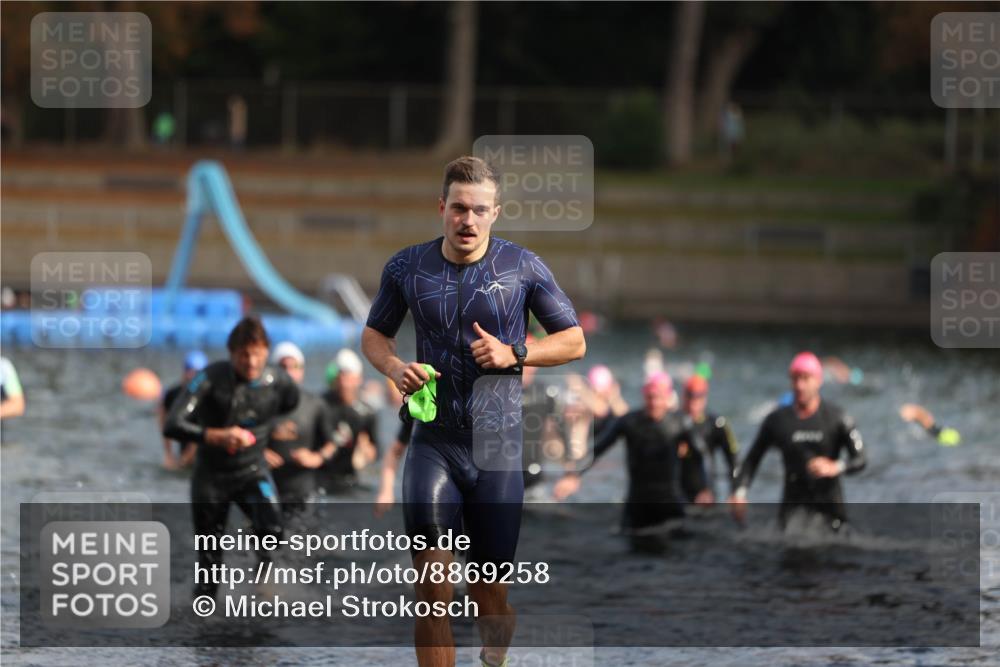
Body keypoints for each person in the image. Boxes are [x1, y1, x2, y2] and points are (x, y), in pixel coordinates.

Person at [361, 156, 585, 667]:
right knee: (432, 592)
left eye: (479, 210)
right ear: (442, 207)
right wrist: (395, 368)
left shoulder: (522, 267)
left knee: (491, 599)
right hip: (432, 445)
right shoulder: (407, 267)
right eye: (459, 208)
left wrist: (516, 354)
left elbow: (574, 341)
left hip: (496, 450)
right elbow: (374, 334)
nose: (468, 220)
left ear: (495, 214)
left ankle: (498, 638)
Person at [163, 316, 299, 600]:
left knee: (273, 531)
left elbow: (290, 404)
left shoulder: (278, 381)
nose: (250, 362)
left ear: (266, 352)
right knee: (210, 566)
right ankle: (203, 623)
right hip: (211, 478)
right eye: (243, 355)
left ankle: (261, 587)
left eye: (257, 354)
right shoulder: (210, 378)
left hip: (252, 471)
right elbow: (173, 424)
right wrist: (216, 435)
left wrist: (271, 430)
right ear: (231, 353)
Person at [729, 352, 866, 532]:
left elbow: (861, 459)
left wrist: (835, 467)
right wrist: (740, 493)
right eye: (795, 379)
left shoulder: (837, 418)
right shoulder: (777, 420)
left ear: (818, 380)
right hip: (791, 515)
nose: (799, 385)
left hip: (831, 515)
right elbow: (752, 460)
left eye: (805, 379)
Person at [553, 373, 691, 531]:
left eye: (658, 397)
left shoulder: (680, 424)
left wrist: (704, 489)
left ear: (667, 398)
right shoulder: (629, 422)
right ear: (644, 396)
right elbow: (598, 448)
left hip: (670, 502)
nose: (654, 403)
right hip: (637, 502)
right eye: (650, 397)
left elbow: (700, 453)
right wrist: (573, 475)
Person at [266, 342, 338, 520]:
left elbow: (332, 444)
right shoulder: (262, 403)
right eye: (283, 366)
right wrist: (260, 452)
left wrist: (316, 458)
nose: (289, 372)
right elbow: (245, 437)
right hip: (267, 489)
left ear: (302, 370)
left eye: (294, 367)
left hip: (303, 490)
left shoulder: (315, 405)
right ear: (274, 370)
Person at [322, 348, 379, 491]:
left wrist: (365, 451)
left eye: (348, 377)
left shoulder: (367, 412)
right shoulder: (321, 405)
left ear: (359, 379)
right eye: (341, 376)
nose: (344, 382)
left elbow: (376, 451)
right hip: (322, 478)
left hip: (351, 479)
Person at [677, 374, 739, 504]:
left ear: (705, 397)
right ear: (683, 396)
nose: (693, 402)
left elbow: (733, 459)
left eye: (698, 397)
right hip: (675, 493)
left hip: (705, 494)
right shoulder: (673, 422)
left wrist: (735, 492)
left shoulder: (717, 424)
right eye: (690, 396)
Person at [159, 350, 207, 470]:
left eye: (196, 373)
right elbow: (163, 419)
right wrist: (168, 454)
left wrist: (185, 458)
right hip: (186, 443)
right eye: (189, 370)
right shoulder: (173, 394)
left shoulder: (206, 397)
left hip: (203, 450)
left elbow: (203, 428)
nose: (191, 375)